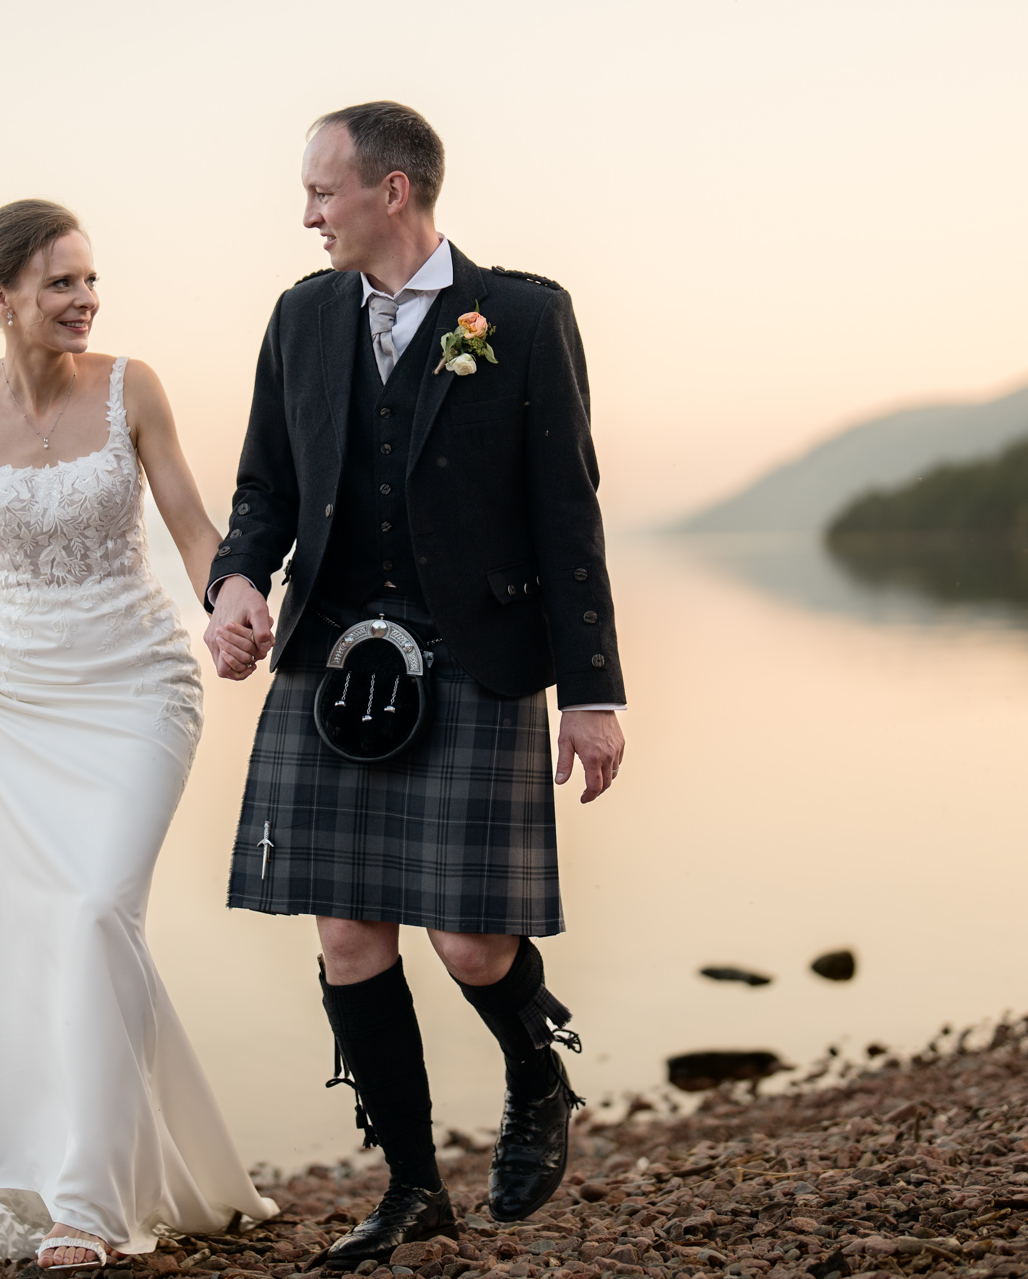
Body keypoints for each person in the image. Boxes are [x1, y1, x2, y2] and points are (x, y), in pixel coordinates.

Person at [204, 103, 628, 1268]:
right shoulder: (301, 316)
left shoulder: (525, 315)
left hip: (474, 659)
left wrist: (592, 687)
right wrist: (237, 580)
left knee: (472, 944)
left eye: (323, 191)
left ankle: (537, 1078)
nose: (306, 214)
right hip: (332, 655)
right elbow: (265, 487)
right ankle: (409, 1189)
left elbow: (567, 511)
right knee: (349, 934)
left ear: (394, 192)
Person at [0, 199, 278, 1271]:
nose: (85, 299)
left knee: (101, 905)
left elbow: (195, 525)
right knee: (67, 930)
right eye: (61, 282)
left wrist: (227, 599)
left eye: (89, 279)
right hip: (19, 700)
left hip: (140, 683)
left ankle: (86, 1202)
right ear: (1, 295)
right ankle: (167, 1169)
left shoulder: (132, 386)